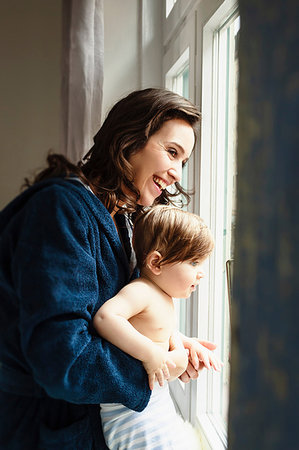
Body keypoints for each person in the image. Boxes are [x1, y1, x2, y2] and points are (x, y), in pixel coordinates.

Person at [0, 88, 215, 449]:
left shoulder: (124, 221)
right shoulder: (60, 210)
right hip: (38, 430)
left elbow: (121, 317)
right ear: (129, 139)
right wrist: (157, 364)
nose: (177, 173)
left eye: (184, 161)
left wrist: (168, 341)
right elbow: (63, 361)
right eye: (172, 152)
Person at [93, 205, 222, 450]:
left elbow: (155, 330)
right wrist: (152, 354)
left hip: (153, 404)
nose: (201, 273)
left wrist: (186, 343)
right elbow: (106, 318)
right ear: (157, 262)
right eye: (194, 262)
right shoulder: (141, 290)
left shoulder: (160, 295)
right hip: (131, 414)